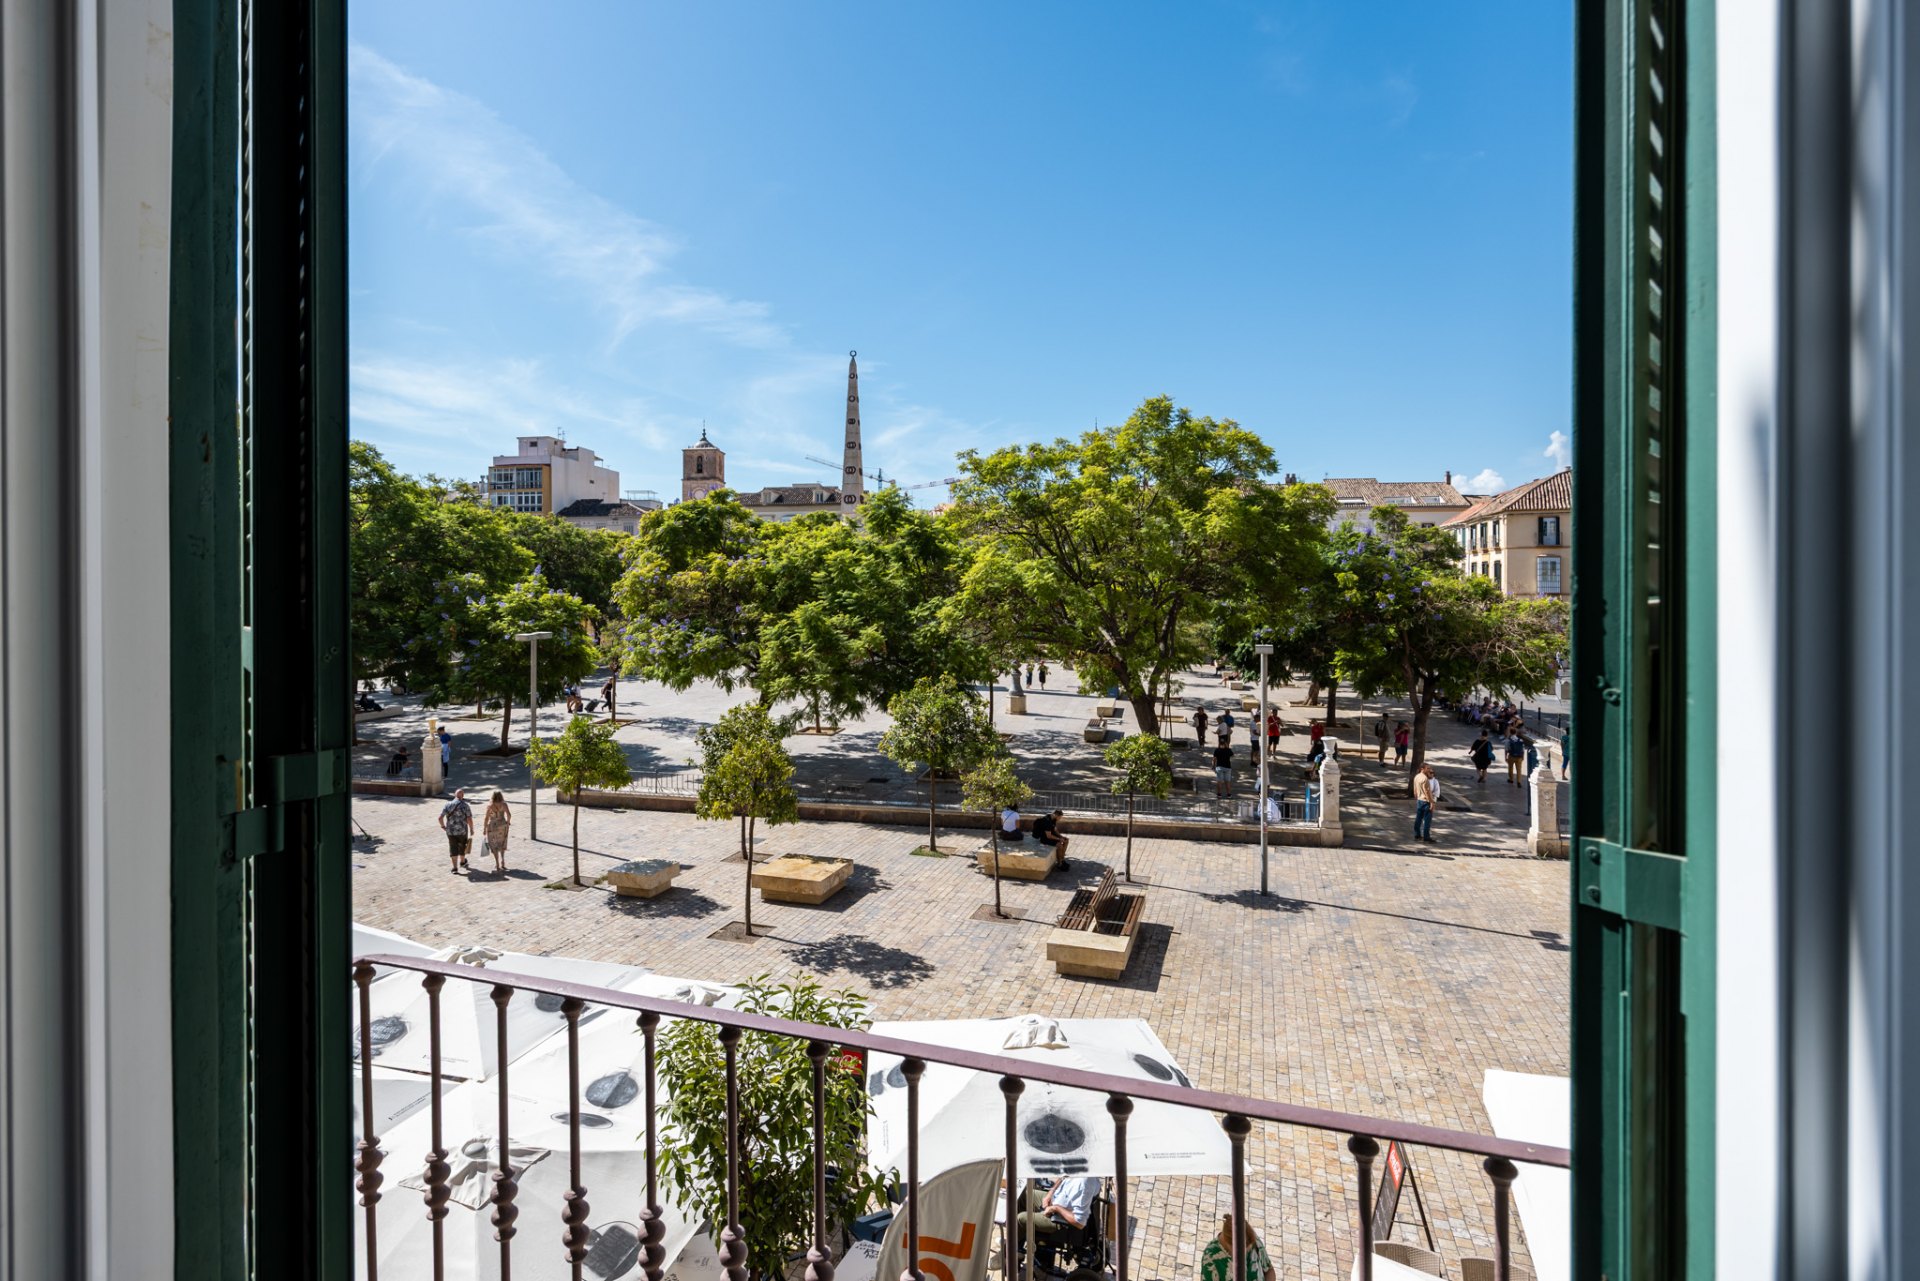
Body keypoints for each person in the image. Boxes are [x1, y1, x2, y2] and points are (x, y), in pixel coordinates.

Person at [1014, 1176, 1097, 1257]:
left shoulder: (1084, 1184)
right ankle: (1019, 1243)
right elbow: (1063, 1176)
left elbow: (1079, 1222)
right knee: (1023, 1195)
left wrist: (1056, 1208)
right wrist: (1051, 1192)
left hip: (1059, 1219)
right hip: (1057, 1200)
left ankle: (1014, 1253)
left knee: (1020, 1218)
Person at [1199, 1213, 1276, 1281]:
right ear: (1230, 1245)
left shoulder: (1251, 1239)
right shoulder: (1210, 1257)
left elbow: (1269, 1270)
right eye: (1243, 1251)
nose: (1246, 1253)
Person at [439, 787, 475, 873]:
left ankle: (455, 868)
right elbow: (469, 819)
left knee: (453, 847)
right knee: (462, 845)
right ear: (462, 796)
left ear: (455, 795)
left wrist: (443, 826)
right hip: (462, 830)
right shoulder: (465, 806)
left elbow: (440, 818)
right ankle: (462, 862)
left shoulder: (447, 805)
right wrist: (471, 829)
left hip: (450, 831)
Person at [483, 790, 512, 873]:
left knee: (494, 845)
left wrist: (484, 829)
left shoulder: (489, 805)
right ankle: (503, 860)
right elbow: (509, 815)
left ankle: (497, 864)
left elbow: (486, 818)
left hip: (492, 827)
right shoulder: (504, 804)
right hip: (502, 825)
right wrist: (508, 822)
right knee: (502, 843)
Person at [1412, 764, 1437, 843]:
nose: (1429, 770)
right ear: (1422, 769)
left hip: (1419, 800)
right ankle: (1426, 837)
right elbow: (1427, 791)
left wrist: (1417, 798)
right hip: (1426, 801)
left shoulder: (1417, 777)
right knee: (1427, 820)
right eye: (1427, 768)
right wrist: (1431, 802)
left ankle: (1417, 834)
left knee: (1418, 818)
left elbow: (1415, 790)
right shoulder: (1425, 779)